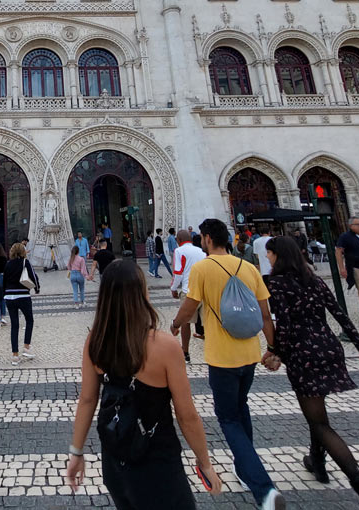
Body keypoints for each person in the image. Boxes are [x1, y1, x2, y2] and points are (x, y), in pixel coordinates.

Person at [65, 260, 221, 508]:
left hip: (116, 462)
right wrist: (205, 463)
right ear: (141, 294)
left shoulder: (95, 341)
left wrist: (76, 452)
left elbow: (87, 399)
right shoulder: (166, 346)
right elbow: (187, 415)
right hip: (157, 461)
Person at [263, 237, 359, 509]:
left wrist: (275, 352)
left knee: (319, 422)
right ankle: (317, 462)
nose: (268, 259)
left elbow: (284, 324)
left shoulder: (275, 284)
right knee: (317, 412)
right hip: (328, 349)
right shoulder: (314, 280)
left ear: (277, 256)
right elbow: (340, 316)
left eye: (269, 255)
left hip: (303, 354)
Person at [170, 218, 284, 510]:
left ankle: (264, 489)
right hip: (250, 355)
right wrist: (272, 348)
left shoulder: (203, 269)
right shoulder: (248, 268)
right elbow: (265, 314)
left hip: (222, 358)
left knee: (228, 418)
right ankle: (245, 470)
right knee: (240, 407)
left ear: (207, 239)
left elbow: (190, 306)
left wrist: (174, 326)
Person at [170, 229, 207, 363]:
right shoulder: (200, 251)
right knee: (207, 323)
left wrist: (173, 288)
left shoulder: (179, 251)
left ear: (178, 240)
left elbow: (178, 272)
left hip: (188, 291)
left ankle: (185, 352)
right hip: (203, 291)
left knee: (185, 322)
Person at [3, 242, 39, 365]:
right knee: (29, 320)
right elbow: (33, 277)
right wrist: (37, 288)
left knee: (14, 325)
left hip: (9, 296)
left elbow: (4, 280)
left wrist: (4, 294)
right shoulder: (25, 262)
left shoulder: (8, 264)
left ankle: (15, 356)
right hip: (23, 295)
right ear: (23, 252)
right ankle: (26, 347)